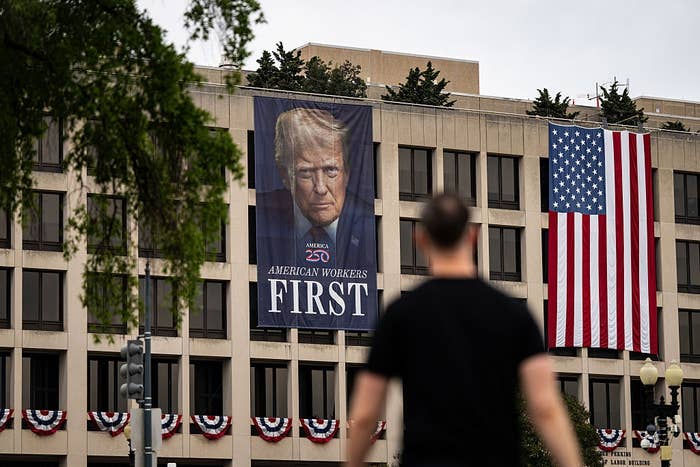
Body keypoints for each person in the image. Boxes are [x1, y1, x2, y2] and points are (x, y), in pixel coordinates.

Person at [347, 193, 583, 467]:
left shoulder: (401, 314)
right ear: (472, 236)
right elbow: (545, 408)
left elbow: (366, 414)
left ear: (421, 239)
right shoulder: (513, 313)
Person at [256, 107, 374, 268]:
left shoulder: (371, 224)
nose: (320, 188)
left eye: (331, 170)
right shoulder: (260, 215)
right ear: (285, 175)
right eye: (305, 172)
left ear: (346, 173)